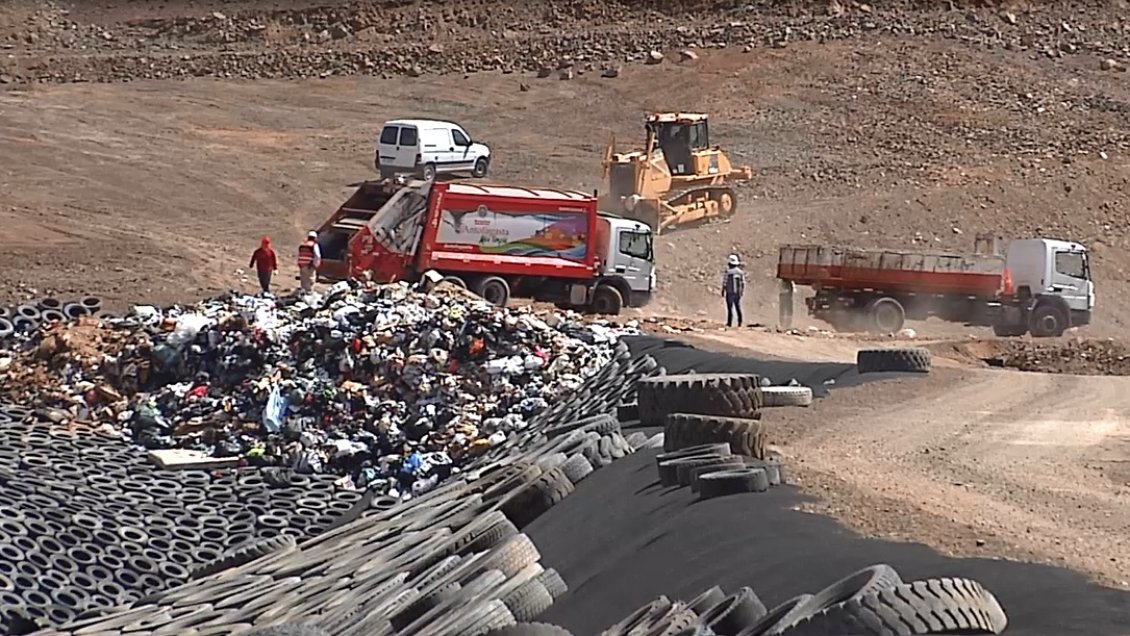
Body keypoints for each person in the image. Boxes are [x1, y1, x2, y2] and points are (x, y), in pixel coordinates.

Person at [722, 254, 746, 328]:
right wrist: (741, 292)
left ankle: (729, 323)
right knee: (738, 307)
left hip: (729, 292)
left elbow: (725, 282)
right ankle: (740, 322)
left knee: (730, 308)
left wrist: (723, 290)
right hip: (737, 293)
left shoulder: (728, 272)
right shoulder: (740, 272)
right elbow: (743, 283)